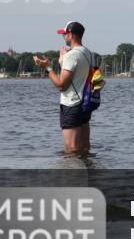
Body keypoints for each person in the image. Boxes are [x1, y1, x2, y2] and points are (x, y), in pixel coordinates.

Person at [32, 21, 95, 154]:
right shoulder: (89, 53)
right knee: (84, 147)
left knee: (72, 150)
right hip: (85, 104)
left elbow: (61, 85)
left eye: (64, 34)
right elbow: (78, 76)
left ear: (71, 35)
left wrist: (47, 68)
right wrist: (63, 61)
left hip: (72, 104)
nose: (63, 37)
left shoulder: (72, 55)